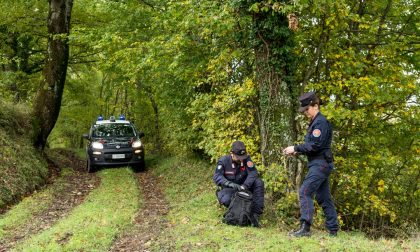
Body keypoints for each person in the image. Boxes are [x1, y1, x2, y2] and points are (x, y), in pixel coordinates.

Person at [283, 91, 339, 237]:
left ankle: (305, 229)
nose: (305, 112)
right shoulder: (315, 122)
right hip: (319, 163)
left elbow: (315, 145)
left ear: (315, 105)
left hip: (320, 164)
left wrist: (295, 148)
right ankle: (333, 229)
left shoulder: (320, 122)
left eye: (307, 109)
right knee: (324, 197)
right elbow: (312, 146)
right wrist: (299, 152)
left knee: (305, 191)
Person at [213, 140, 265, 227]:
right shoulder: (224, 161)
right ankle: (236, 212)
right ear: (231, 153)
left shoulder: (246, 160)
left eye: (242, 157)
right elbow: (217, 176)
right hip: (230, 189)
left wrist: (245, 185)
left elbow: (253, 173)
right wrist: (229, 183)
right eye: (238, 157)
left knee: (259, 182)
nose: (241, 159)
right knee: (225, 199)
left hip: (245, 187)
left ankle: (255, 214)